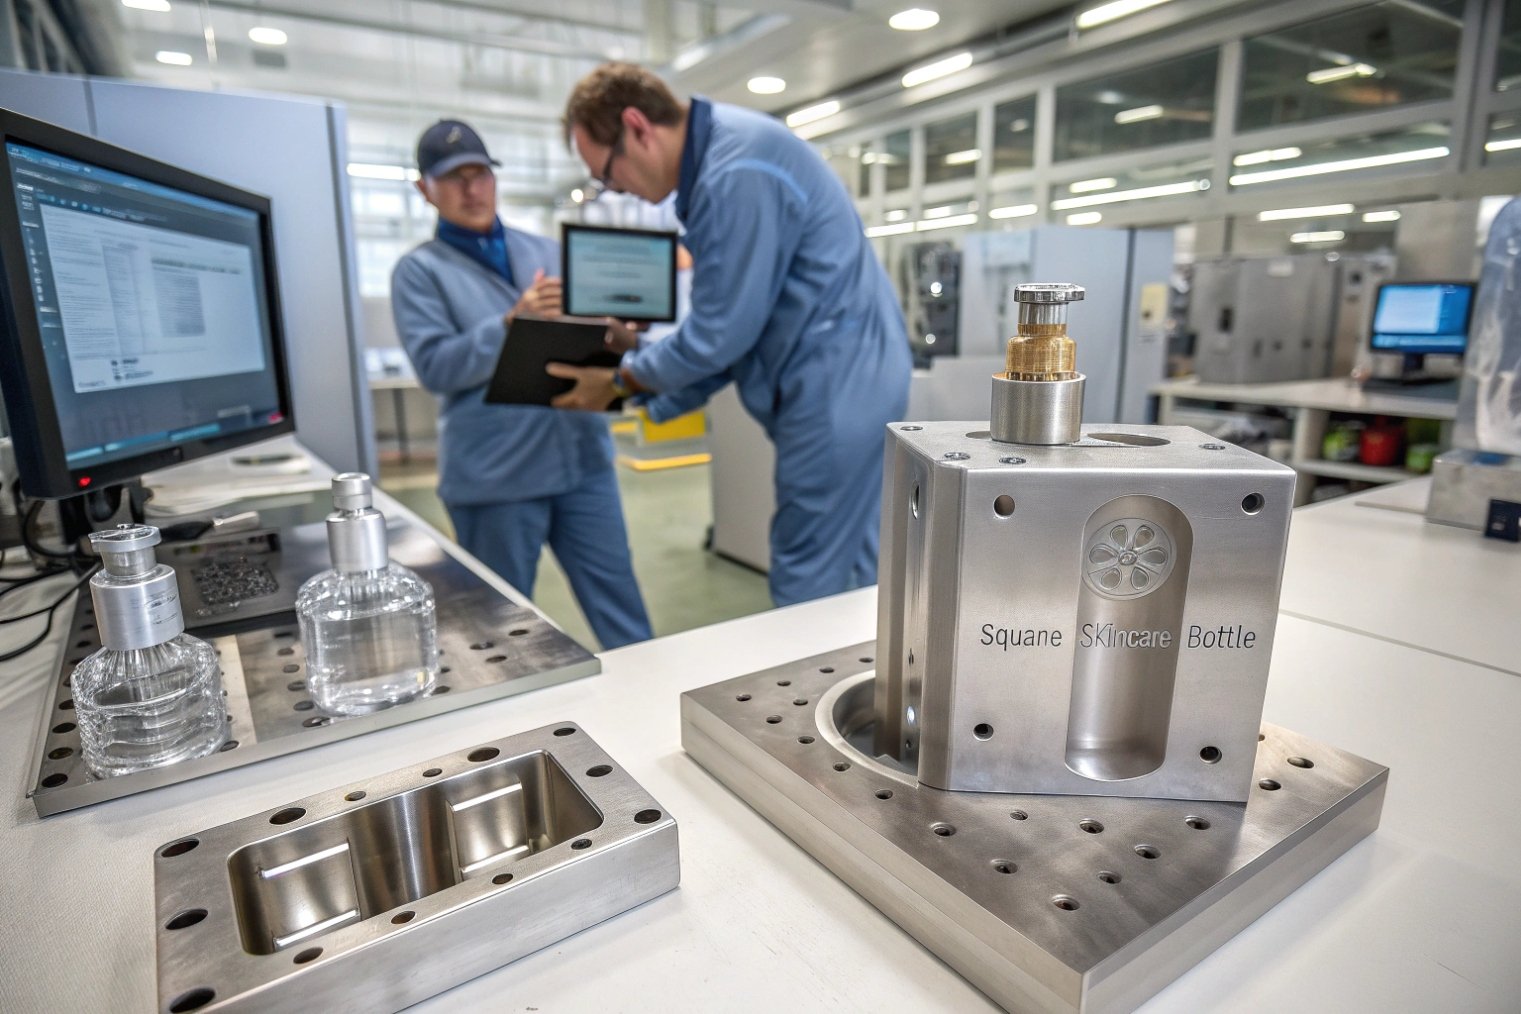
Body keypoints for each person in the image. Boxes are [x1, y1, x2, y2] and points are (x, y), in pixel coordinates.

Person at [552, 64, 912, 607]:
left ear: (637, 127)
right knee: (853, 564)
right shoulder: (728, 156)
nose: (614, 188)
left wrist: (625, 377)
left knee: (807, 566)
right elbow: (737, 333)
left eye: (607, 172)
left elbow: (721, 334)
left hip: (834, 386)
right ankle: (856, 684)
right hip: (851, 377)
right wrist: (637, 377)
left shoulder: (734, 170)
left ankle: (804, 689)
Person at [390, 119, 652, 649]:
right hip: (497, 478)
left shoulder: (548, 253)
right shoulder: (419, 272)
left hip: (582, 464)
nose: (472, 189)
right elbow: (438, 368)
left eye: (481, 174)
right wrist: (512, 322)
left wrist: (619, 332)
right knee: (499, 629)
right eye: (455, 177)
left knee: (625, 617)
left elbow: (592, 340)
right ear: (425, 189)